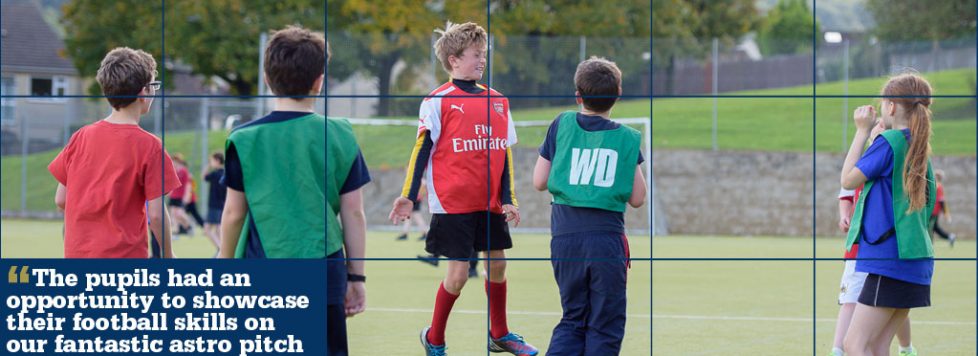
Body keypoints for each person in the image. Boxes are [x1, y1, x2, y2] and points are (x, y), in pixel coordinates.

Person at [389, 21, 537, 356]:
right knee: (457, 275)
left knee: (497, 264)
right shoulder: (437, 101)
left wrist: (508, 198)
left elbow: (504, 151)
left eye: (483, 54)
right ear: (454, 60)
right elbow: (421, 149)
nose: (481, 60)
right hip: (453, 204)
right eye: (474, 54)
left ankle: (499, 334)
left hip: (489, 205)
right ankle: (435, 337)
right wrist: (408, 196)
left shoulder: (498, 101)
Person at [218, 26, 367, 355]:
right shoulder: (340, 134)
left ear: (268, 80)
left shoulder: (244, 139)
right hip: (324, 266)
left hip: (262, 266)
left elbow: (233, 214)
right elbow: (353, 212)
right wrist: (357, 278)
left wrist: (224, 263)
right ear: (320, 80)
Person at [532, 57, 646, 355]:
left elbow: (539, 181)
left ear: (578, 95)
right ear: (618, 94)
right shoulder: (626, 138)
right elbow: (637, 198)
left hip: (565, 238)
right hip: (606, 241)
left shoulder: (562, 123)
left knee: (573, 319)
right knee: (604, 324)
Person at [48, 47, 180, 258]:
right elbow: (156, 216)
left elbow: (61, 199)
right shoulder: (150, 146)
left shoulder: (80, 137)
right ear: (143, 92)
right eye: (153, 86)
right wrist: (169, 255)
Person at [841, 73, 936, 356]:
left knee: (854, 345)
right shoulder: (917, 146)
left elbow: (848, 180)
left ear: (891, 106)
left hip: (890, 262)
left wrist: (861, 133)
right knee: (879, 345)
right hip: (916, 262)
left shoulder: (890, 141)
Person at [830, 120, 916, 356]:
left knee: (879, 323)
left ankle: (906, 347)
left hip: (883, 252)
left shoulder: (892, 158)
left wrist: (860, 132)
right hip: (862, 250)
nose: (877, 129)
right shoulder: (864, 162)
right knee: (854, 303)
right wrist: (845, 214)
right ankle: (836, 350)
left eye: (883, 126)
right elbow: (846, 189)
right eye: (875, 125)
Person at [203, 152, 226, 253]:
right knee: (218, 230)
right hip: (223, 205)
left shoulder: (215, 174)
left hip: (214, 205)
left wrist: (207, 166)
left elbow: (203, 176)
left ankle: (221, 250)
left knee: (207, 229)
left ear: (217, 160)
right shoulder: (225, 173)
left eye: (211, 161)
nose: (210, 163)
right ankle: (221, 250)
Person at [169, 153, 194, 235]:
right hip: (173, 196)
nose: (173, 163)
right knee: (173, 214)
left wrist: (187, 195)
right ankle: (176, 231)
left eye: (174, 161)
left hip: (181, 196)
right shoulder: (173, 170)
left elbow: (188, 184)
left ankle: (189, 225)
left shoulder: (183, 171)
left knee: (180, 213)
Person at [929, 169, 956, 246]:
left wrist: (946, 213)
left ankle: (931, 243)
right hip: (932, 211)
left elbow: (942, 201)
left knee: (931, 227)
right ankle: (950, 237)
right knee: (935, 227)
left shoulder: (938, 187)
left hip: (933, 211)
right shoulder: (935, 186)